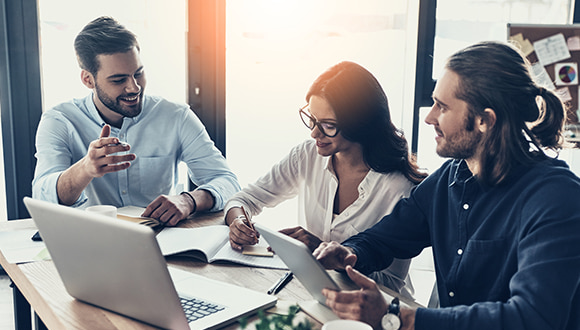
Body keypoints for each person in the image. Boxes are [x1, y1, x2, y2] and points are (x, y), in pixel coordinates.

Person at [314, 41, 580, 330]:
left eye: (441, 106)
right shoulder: (453, 176)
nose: (429, 117)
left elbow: (531, 324)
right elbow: (390, 236)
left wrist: (397, 317)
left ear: (485, 120)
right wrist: (349, 252)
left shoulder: (557, 197)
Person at [224, 61, 426, 293]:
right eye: (312, 119)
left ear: (360, 123)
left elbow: (391, 285)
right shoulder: (307, 156)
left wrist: (329, 253)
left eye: (328, 125)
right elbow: (243, 199)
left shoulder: (399, 188)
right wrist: (237, 221)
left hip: (372, 310)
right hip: (315, 293)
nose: (314, 133)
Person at [32, 16, 240, 226]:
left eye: (138, 74)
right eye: (119, 80)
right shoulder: (59, 121)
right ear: (88, 79)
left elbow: (227, 181)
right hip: (90, 241)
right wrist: (85, 169)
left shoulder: (176, 116)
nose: (134, 87)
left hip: (160, 240)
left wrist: (189, 200)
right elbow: (43, 198)